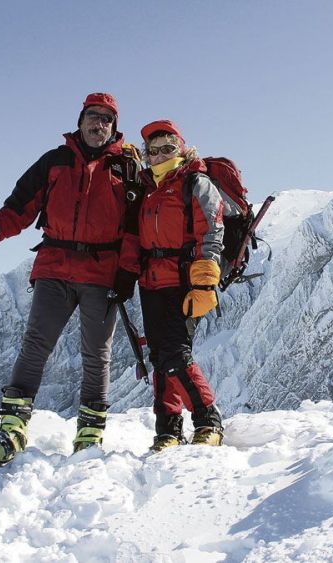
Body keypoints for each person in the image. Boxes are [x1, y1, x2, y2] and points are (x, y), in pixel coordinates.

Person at [0, 92, 142, 467]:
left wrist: (127, 272)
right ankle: (12, 428)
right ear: (80, 120)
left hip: (102, 273)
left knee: (97, 354)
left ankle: (89, 434)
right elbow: (19, 208)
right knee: (35, 345)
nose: (98, 124)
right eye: (93, 116)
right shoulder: (54, 162)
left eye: (106, 119)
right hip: (55, 267)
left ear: (113, 127)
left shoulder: (126, 168)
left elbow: (134, 226)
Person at [136, 120, 225, 452]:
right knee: (159, 356)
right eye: (154, 150)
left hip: (185, 281)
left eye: (168, 148)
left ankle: (208, 420)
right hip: (150, 283)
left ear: (182, 149)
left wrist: (204, 283)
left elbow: (211, 231)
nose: (160, 155)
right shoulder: (147, 188)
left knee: (175, 354)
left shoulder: (195, 182)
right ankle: (167, 431)